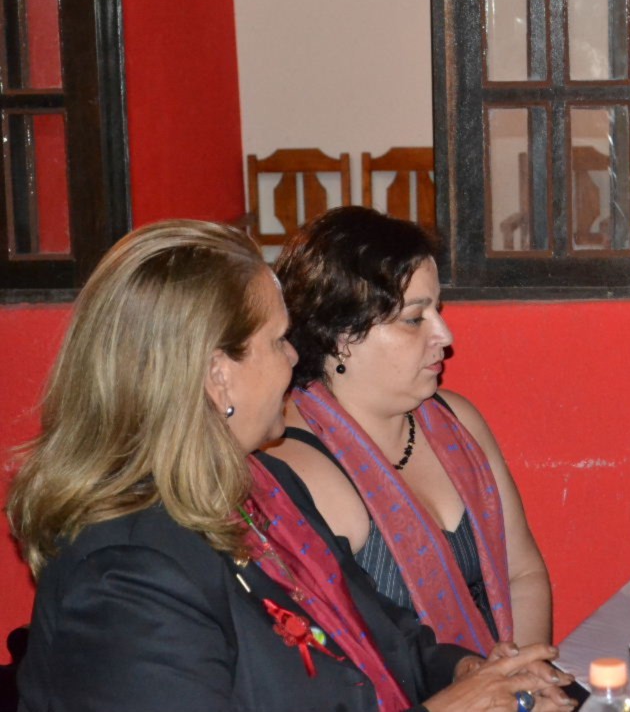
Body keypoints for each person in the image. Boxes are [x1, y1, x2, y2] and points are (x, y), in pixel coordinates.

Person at [6, 220, 572, 711]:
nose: (297, 356)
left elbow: (391, 640)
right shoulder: (126, 577)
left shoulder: (263, 491)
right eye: (278, 341)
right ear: (218, 375)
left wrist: (470, 673)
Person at [268, 206, 551, 653]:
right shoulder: (299, 467)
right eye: (414, 319)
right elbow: (332, 656)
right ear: (341, 334)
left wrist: (523, 677)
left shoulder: (457, 421)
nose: (445, 335)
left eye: (438, 310)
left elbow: (523, 573)